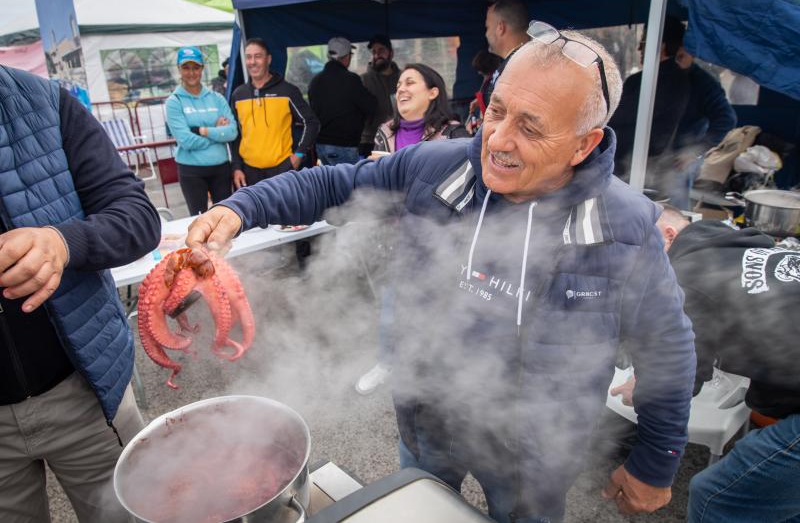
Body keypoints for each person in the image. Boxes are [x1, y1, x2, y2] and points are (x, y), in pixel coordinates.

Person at [186, 26, 696, 522]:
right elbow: (337, 183)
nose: (498, 139)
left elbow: (667, 349)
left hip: (532, 453)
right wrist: (241, 207)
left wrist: (656, 463)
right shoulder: (439, 167)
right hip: (429, 418)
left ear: (583, 146)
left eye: (532, 127)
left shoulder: (624, 227)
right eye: (496, 111)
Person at [0, 65, 161, 521]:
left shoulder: (46, 104)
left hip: (85, 394)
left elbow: (137, 215)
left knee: (136, 511)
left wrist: (62, 242)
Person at [612, 205, 800, 522]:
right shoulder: (731, 241)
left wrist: (643, 384)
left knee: (717, 496)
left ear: (667, 236)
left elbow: (677, 377)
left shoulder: (685, 277)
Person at [356, 63, 470, 395]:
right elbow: (376, 188)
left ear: (433, 92)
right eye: (399, 84)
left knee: (442, 305)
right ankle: (388, 362)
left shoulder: (453, 134)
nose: (401, 89)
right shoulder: (386, 132)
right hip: (399, 233)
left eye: (410, 82)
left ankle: (440, 370)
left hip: (444, 237)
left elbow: (463, 189)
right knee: (393, 303)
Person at [608, 16, 691, 193]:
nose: (639, 48)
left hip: (637, 170)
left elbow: (618, 114)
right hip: (635, 166)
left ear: (660, 46)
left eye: (644, 42)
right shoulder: (674, 79)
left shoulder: (660, 82)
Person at [229, 38, 320, 188]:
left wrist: (298, 155)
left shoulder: (287, 91)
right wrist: (237, 167)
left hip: (282, 169)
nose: (253, 62)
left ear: (268, 59)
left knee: (285, 211)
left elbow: (311, 123)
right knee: (253, 212)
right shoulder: (238, 95)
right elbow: (235, 135)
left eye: (258, 56)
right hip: (249, 173)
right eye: (249, 57)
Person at [165, 47, 238, 216]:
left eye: (196, 67)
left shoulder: (217, 98)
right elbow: (185, 141)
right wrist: (216, 133)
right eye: (186, 68)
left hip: (221, 168)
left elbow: (232, 132)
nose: (191, 73)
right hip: (191, 171)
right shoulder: (174, 101)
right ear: (179, 69)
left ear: (202, 69)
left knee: (225, 218)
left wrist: (201, 130)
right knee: (199, 220)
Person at [308, 37, 376, 165]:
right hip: (344, 146)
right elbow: (370, 106)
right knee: (347, 184)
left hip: (321, 147)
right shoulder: (351, 80)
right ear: (346, 57)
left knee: (330, 183)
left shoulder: (315, 81)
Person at [359, 34, 401, 158]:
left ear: (391, 53)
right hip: (369, 141)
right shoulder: (363, 80)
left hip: (399, 138)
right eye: (374, 52)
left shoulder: (403, 77)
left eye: (381, 50)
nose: (377, 55)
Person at [483, 0, 530, 102]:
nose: (486, 34)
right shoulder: (525, 59)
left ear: (500, 28)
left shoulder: (521, 66)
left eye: (487, 28)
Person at [467, 50, 503, 133]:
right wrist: (478, 101)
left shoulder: (496, 84)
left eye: (481, 71)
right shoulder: (487, 82)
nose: (479, 73)